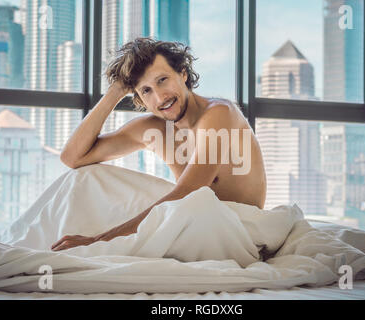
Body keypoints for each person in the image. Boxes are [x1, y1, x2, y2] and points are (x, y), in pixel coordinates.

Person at [51, 38, 267, 252]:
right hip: (188, 226)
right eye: (146, 91)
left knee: (193, 202)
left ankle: (93, 248)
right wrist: (115, 92)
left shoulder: (219, 113)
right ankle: (55, 247)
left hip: (235, 232)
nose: (160, 97)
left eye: (162, 80)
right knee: (84, 176)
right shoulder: (153, 128)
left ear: (183, 73)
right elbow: (73, 158)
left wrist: (98, 241)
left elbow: (188, 193)